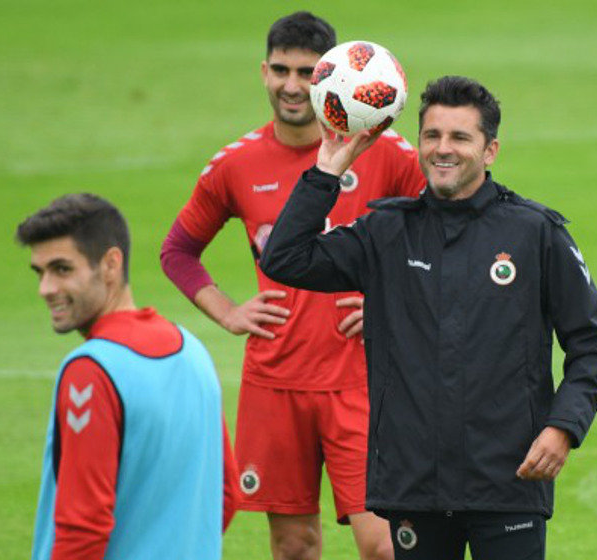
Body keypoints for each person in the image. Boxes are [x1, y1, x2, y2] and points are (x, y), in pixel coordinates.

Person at [258, 75, 597, 560]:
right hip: (415, 485)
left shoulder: (535, 233)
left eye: (460, 137)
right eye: (432, 136)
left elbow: (591, 343)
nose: (442, 149)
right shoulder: (385, 232)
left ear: (490, 150)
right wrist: (328, 169)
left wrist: (563, 427)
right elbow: (285, 259)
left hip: (508, 479)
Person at [159, 11, 425, 560]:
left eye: (306, 72)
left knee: (382, 546)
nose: (290, 85)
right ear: (263, 71)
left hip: (362, 378)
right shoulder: (235, 165)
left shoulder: (389, 155)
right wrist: (228, 312)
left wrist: (388, 300)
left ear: (329, 76)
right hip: (275, 381)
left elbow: (445, 241)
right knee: (294, 546)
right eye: (280, 69)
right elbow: (177, 251)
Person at [19, 193, 238, 559]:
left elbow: (83, 528)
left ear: (110, 264)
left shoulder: (90, 372)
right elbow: (225, 495)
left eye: (62, 269)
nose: (46, 289)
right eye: (40, 273)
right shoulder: (192, 351)